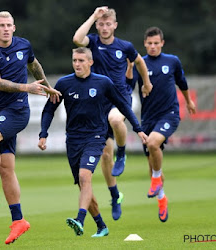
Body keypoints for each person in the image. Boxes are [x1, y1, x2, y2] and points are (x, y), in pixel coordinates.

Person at [0, 11, 61, 245]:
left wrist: (47, 87)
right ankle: (19, 220)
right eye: (1, 25)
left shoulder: (24, 45)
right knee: (7, 169)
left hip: (18, 111)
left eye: (9, 25)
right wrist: (26, 87)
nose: (6, 29)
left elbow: (34, 63)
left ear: (14, 27)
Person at [38, 47, 147, 237]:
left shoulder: (103, 83)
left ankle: (79, 220)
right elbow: (49, 110)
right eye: (74, 61)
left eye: (81, 61)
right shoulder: (64, 84)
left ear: (90, 62)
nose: (77, 64)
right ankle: (101, 226)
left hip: (96, 137)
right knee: (84, 186)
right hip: (73, 140)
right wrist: (43, 133)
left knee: (85, 177)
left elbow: (123, 105)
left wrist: (138, 129)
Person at [72, 6, 153, 220]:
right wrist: (93, 16)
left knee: (116, 119)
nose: (105, 27)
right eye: (101, 24)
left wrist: (146, 82)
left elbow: (140, 62)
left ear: (115, 25)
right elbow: (77, 38)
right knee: (105, 156)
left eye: (108, 24)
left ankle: (123, 153)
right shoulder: (93, 42)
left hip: (119, 98)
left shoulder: (125, 46)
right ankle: (115, 195)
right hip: (98, 102)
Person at [125, 26, 196, 222]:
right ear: (145, 44)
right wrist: (130, 69)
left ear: (162, 43)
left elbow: (182, 82)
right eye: (150, 44)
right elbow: (129, 87)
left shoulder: (172, 61)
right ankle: (162, 198)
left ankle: (156, 177)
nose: (153, 46)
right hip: (148, 119)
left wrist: (188, 101)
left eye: (157, 43)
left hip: (169, 114)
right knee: (152, 161)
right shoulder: (140, 64)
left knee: (153, 143)